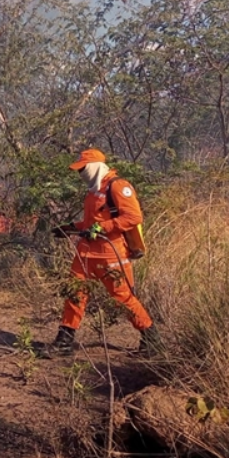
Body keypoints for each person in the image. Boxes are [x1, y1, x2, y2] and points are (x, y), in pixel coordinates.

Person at [48, 148, 162, 357]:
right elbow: (92, 223)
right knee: (74, 293)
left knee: (123, 298)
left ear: (94, 167)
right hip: (85, 253)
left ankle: (152, 339)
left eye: (83, 168)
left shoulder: (118, 186)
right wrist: (71, 227)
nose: (80, 173)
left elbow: (133, 217)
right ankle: (64, 341)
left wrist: (103, 228)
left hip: (111, 253)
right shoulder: (93, 191)